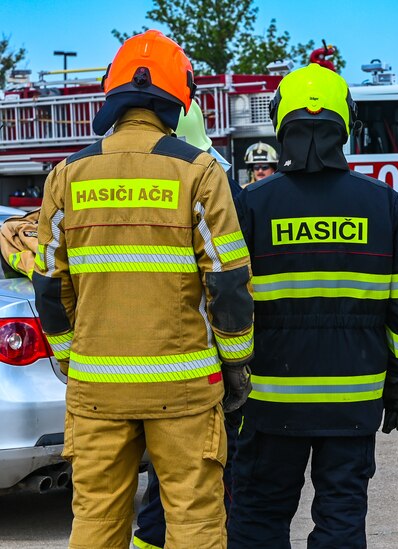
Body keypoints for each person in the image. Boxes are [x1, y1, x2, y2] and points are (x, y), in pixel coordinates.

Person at [32, 30, 254, 548]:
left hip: (96, 389)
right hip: (184, 388)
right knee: (195, 519)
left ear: (113, 94)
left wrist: (71, 362)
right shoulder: (199, 172)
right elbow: (227, 283)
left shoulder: (66, 176)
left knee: (95, 521)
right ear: (179, 98)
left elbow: (49, 287)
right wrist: (237, 364)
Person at [227, 62, 398, 548]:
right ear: (347, 123)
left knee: (257, 516)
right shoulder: (383, 203)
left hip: (268, 402)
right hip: (353, 401)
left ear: (281, 124)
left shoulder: (251, 203)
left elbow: (227, 296)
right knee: (341, 519)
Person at [132, 99, 245, 549]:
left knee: (160, 485)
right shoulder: (213, 181)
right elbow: (231, 283)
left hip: (131, 369)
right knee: (203, 481)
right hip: (197, 370)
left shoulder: (130, 182)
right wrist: (238, 363)